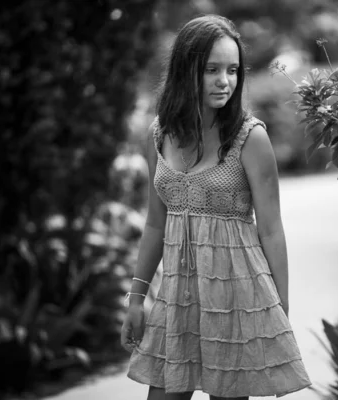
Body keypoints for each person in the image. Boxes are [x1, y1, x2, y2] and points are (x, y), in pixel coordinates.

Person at [120, 14, 311, 400]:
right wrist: (136, 300)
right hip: (177, 298)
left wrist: (279, 311)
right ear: (185, 70)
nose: (225, 81)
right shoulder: (158, 135)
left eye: (233, 70)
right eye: (211, 70)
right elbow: (155, 224)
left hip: (237, 297)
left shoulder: (250, 138)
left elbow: (271, 229)